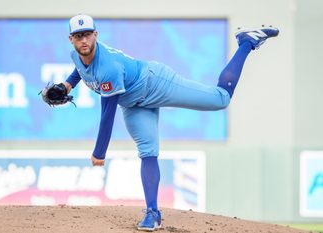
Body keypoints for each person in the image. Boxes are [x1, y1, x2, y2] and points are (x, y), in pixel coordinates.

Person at [62, 14, 279, 231]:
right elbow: (80, 71)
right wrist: (66, 87)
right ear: (71, 39)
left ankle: (247, 42)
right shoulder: (76, 55)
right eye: (78, 36)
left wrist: (99, 151)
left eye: (88, 35)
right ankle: (152, 213)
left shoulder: (108, 67)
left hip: (155, 83)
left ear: (95, 35)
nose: (84, 41)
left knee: (220, 99)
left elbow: (107, 113)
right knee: (148, 151)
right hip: (134, 105)